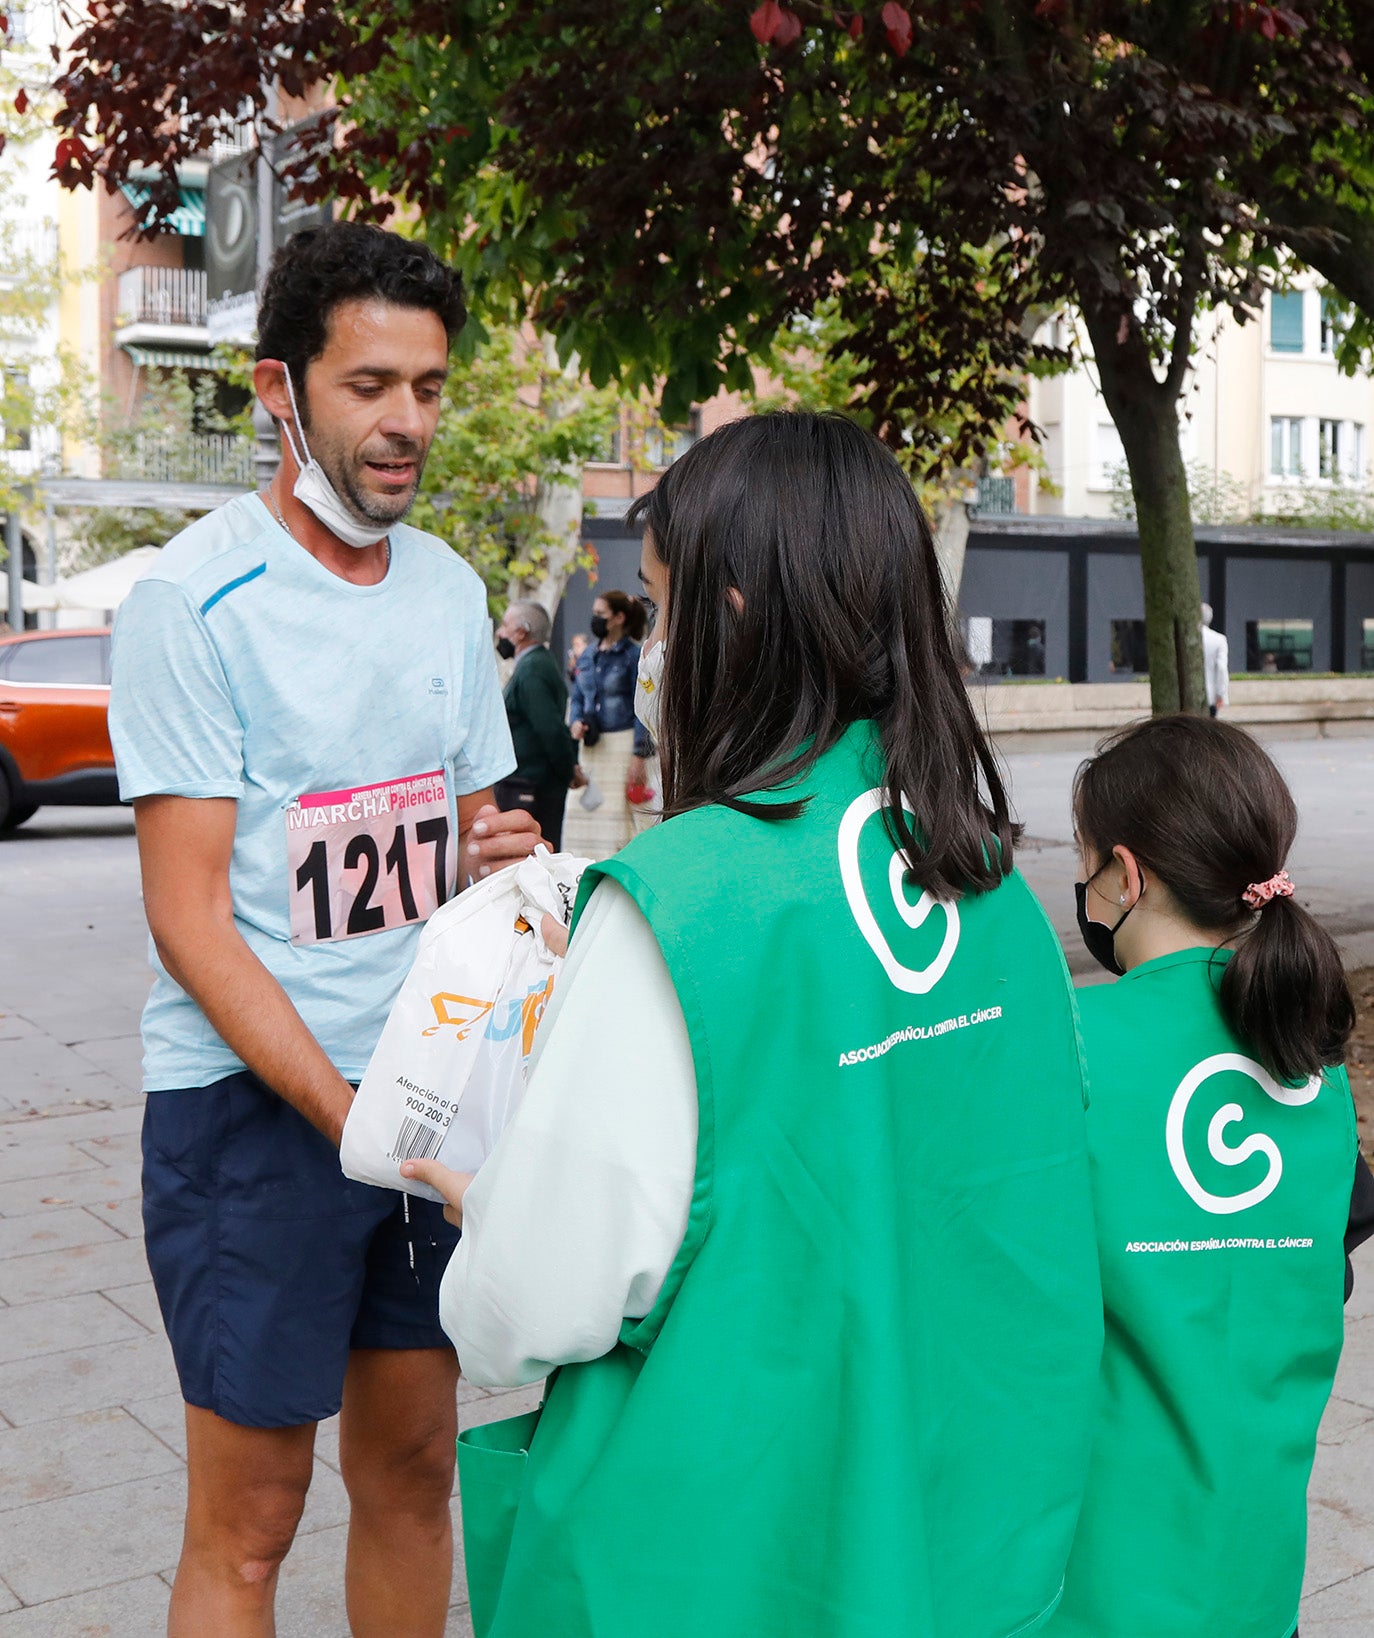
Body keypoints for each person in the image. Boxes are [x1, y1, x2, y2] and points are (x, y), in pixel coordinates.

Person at [405, 412, 1105, 1638]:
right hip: (964, 1533)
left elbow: (525, 1310)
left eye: (666, 606)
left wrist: (494, 1204)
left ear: (732, 612)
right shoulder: (984, 875)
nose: (661, 640)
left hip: (725, 1558)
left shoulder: (687, 899)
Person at [107, 221, 540, 1636]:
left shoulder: (453, 590)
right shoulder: (189, 601)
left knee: (416, 1473)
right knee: (250, 1519)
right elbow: (189, 922)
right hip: (255, 1114)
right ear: (275, 391)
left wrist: (504, 858)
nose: (406, 421)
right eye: (368, 386)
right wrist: (350, 1112)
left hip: (427, 1100)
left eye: (425, 386)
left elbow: (479, 841)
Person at [1050, 714, 1374, 1638]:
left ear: (1126, 873)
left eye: (1084, 862)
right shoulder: (1308, 1058)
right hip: (1255, 1572)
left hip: (1097, 1583)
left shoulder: (1068, 1044)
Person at [563, 588, 650, 856]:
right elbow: (578, 695)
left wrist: (639, 754)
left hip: (621, 746)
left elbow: (642, 708)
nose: (595, 619)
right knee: (581, 811)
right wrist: (576, 721)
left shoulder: (634, 656)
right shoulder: (588, 655)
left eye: (601, 614)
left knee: (614, 820)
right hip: (590, 747)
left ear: (618, 618)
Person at [493, 600, 578, 850]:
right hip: (532, 782)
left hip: (533, 786)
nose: (500, 632)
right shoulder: (535, 664)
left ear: (521, 632)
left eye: (505, 625)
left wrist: (568, 770)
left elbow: (549, 728)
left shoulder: (532, 669)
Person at [1201, 601, 1229, 714]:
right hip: (1210, 696)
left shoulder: (1183, 638)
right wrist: (1221, 694)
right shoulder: (1219, 639)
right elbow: (1221, 668)